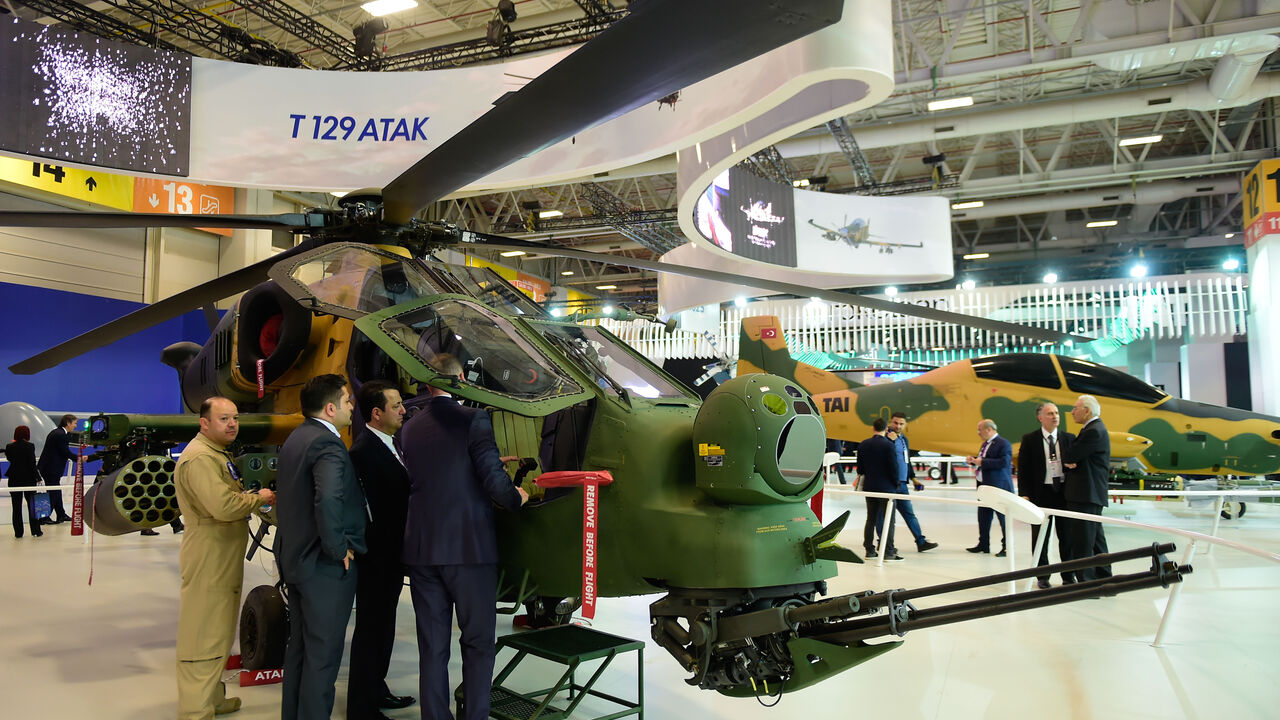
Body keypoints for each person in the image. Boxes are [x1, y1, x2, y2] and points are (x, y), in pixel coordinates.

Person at [400, 354, 528, 720]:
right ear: (463, 379)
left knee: (433, 649)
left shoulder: (410, 427)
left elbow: (437, 476)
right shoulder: (475, 419)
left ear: (427, 384)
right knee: (477, 644)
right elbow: (495, 486)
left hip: (423, 550)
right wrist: (517, 496)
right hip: (469, 550)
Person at [174, 397, 275, 719]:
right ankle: (194, 710)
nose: (232, 424)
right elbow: (223, 506)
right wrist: (256, 498)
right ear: (204, 423)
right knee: (202, 631)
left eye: (234, 418)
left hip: (221, 550)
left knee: (218, 628)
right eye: (223, 419)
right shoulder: (200, 458)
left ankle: (211, 698)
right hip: (209, 551)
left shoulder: (216, 454)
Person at [275, 374, 368, 720]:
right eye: (347, 401)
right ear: (330, 408)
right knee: (323, 657)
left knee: (299, 651)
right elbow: (328, 497)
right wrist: (337, 548)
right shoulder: (328, 445)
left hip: (296, 560)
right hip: (323, 567)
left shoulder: (297, 438)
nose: (351, 407)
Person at [346, 381, 415, 720]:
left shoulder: (389, 445)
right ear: (377, 413)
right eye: (397, 405)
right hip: (376, 558)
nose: (404, 410)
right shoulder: (363, 453)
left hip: (390, 556)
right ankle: (361, 707)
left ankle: (376, 688)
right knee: (372, 629)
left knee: (383, 626)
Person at [1017, 403, 1075, 589]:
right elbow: (1023, 470)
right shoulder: (1030, 440)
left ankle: (1068, 574)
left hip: (1064, 494)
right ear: (1040, 417)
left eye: (1056, 413)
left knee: (1067, 536)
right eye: (1050, 413)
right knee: (1040, 536)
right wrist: (1024, 494)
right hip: (1041, 494)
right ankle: (1042, 575)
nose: (1055, 416)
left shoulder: (1069, 438)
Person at [1061, 394, 1112, 582]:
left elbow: (1069, 455)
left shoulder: (1093, 431)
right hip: (1089, 494)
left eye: (1075, 408)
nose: (1072, 412)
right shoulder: (1094, 429)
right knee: (1096, 539)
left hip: (1085, 494)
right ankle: (1104, 576)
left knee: (1083, 541)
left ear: (1087, 410)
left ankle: (1087, 583)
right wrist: (1073, 460)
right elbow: (1073, 457)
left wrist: (1071, 461)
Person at [887, 413, 938, 553]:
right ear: (890, 422)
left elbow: (906, 461)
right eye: (895, 423)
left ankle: (920, 542)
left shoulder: (904, 440)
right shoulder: (886, 439)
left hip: (902, 485)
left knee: (909, 514)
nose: (898, 426)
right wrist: (890, 442)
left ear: (905, 424)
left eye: (901, 424)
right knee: (887, 517)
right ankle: (885, 545)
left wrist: (913, 478)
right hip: (889, 484)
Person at [966, 418, 1013, 556]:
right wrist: (974, 461)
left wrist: (983, 462)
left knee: (1003, 518)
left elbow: (1004, 462)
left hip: (999, 487)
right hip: (984, 487)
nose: (978, 433)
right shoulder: (985, 444)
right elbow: (985, 461)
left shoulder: (1003, 443)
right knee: (983, 516)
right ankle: (983, 544)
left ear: (988, 429)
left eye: (980, 430)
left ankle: (1007, 547)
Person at [857, 418, 900, 561]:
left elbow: (861, 468)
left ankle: (869, 549)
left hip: (870, 487)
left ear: (872, 428)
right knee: (889, 520)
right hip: (886, 488)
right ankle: (888, 550)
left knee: (871, 519)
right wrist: (896, 483)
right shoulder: (888, 445)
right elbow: (893, 467)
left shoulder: (863, 444)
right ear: (886, 428)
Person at [36, 413, 77, 523]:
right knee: (53, 492)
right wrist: (79, 458)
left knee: (55, 491)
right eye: (74, 423)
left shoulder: (57, 432)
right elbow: (65, 452)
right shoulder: (60, 435)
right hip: (51, 469)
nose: (75, 426)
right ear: (68, 423)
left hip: (49, 468)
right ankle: (44, 517)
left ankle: (61, 514)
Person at [5, 426, 43, 538]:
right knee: (32, 505)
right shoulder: (30, 446)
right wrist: (38, 477)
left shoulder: (9, 447)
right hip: (29, 479)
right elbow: (32, 464)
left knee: (16, 507)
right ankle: (36, 531)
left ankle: (18, 532)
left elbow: (10, 459)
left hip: (14, 479)